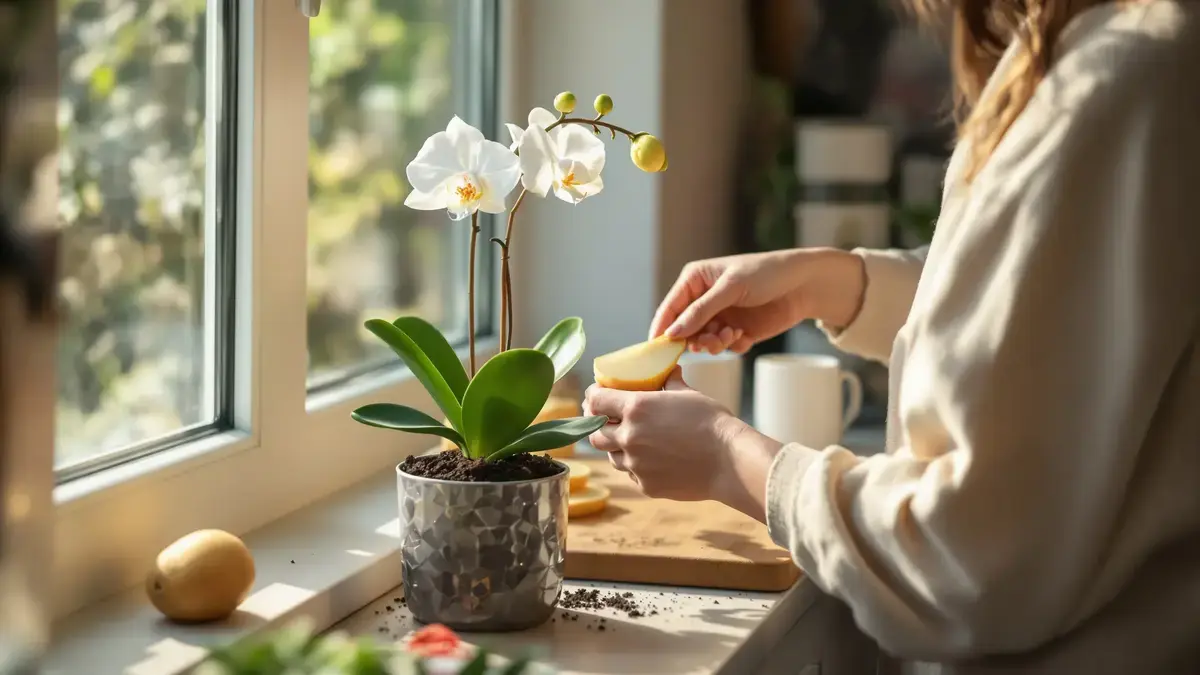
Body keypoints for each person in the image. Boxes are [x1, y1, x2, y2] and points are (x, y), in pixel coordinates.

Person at [583, 1, 1200, 672]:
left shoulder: (1118, 75)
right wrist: (831, 282)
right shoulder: (1104, 53)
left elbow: (965, 561)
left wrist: (729, 458)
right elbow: (1063, 313)